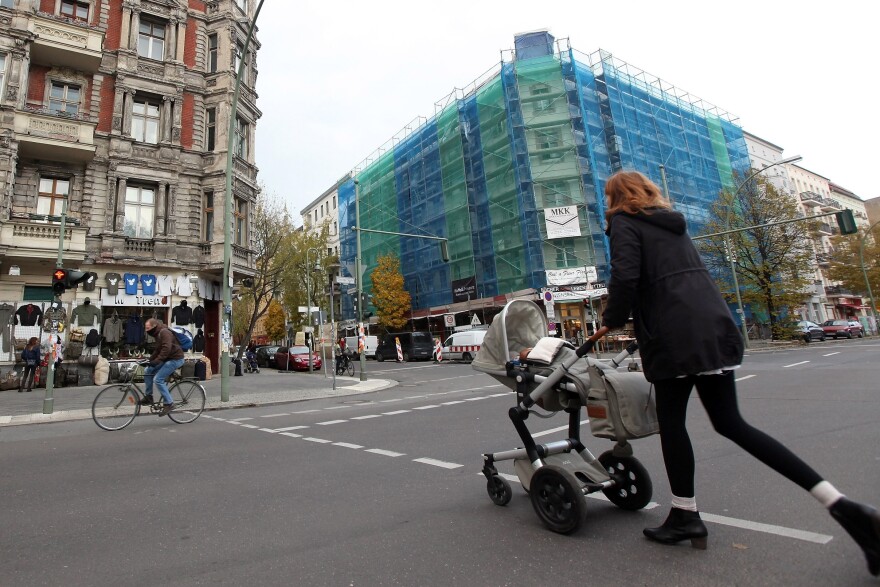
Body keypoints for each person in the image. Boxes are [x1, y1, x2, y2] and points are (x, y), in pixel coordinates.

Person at [600, 170, 879, 575]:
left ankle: (685, 515)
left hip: (674, 333)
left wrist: (613, 317)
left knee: (672, 423)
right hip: (712, 326)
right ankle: (840, 503)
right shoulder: (673, 225)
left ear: (616, 198)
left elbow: (626, 275)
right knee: (731, 423)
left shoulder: (624, 222)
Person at [139, 318, 185, 416]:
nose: (146, 330)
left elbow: (166, 349)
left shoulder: (164, 332)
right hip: (167, 359)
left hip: (175, 359)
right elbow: (157, 350)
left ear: (154, 326)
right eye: (145, 328)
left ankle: (169, 403)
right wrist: (149, 360)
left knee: (158, 379)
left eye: (148, 328)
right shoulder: (157, 334)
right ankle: (149, 396)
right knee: (148, 370)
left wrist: (156, 361)